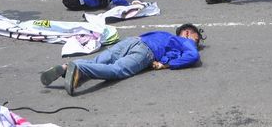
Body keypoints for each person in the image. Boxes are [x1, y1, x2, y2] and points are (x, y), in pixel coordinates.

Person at [40, 23, 204, 96]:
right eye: (197, 39)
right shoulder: (186, 41)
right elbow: (193, 56)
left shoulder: (165, 35)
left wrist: (166, 61)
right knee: (117, 70)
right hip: (146, 51)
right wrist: (167, 64)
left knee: (99, 61)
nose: (196, 43)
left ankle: (68, 68)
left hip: (131, 41)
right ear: (188, 33)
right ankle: (78, 68)